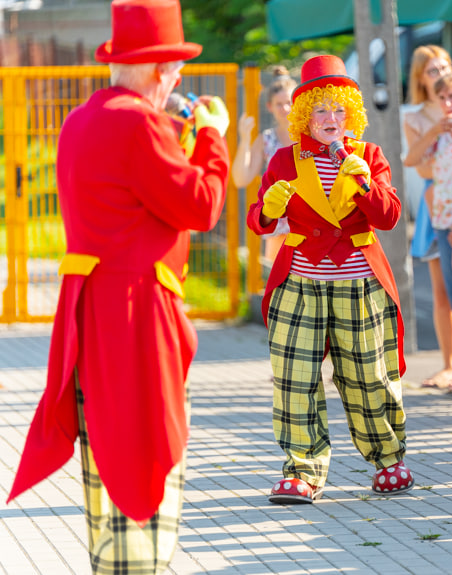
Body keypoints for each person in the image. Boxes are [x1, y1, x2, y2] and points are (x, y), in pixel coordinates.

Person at [6, 0, 231, 571]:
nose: (177, 81)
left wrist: (179, 131)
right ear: (159, 71)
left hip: (92, 310)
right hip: (134, 314)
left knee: (106, 461)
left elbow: (137, 188)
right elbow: (200, 205)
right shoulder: (139, 123)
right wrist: (213, 137)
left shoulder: (83, 118)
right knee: (142, 451)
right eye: (175, 70)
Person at [247, 55, 413, 503]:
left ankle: (388, 460)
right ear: (304, 114)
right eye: (320, 109)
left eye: (339, 109)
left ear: (351, 114)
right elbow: (258, 219)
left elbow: (391, 216)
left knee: (368, 377)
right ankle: (302, 470)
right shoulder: (284, 159)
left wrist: (366, 186)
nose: (331, 119)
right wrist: (268, 208)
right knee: (295, 378)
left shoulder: (369, 156)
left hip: (359, 285)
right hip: (300, 283)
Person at [403, 45, 452, 389]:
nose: (441, 73)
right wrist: (435, 131)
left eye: (445, 65)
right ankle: (448, 363)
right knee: (441, 289)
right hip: (435, 202)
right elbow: (417, 162)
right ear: (420, 78)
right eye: (432, 70)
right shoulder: (415, 117)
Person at [232, 67, 297, 260]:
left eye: (288, 103)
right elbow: (241, 179)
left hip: (308, 225)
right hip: (278, 225)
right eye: (279, 104)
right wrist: (244, 139)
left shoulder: (312, 135)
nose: (285, 109)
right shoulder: (266, 138)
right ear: (270, 106)